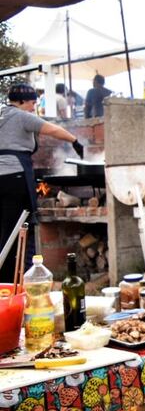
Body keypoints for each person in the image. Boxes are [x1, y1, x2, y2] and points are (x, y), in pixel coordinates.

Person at [0, 83, 85, 282]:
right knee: (22, 226)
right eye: (32, 103)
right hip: (15, 176)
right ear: (22, 101)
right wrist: (74, 141)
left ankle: (8, 280)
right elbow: (52, 129)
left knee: (4, 229)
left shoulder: (2, 115)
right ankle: (15, 280)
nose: (33, 107)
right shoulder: (20, 116)